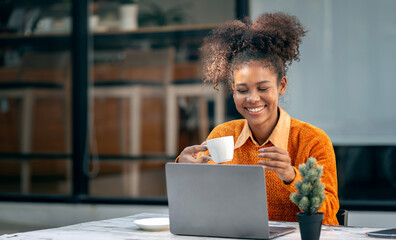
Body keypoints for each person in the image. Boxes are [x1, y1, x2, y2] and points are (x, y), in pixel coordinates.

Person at [176, 12, 339, 225]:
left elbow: (328, 213)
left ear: (281, 86)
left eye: (263, 88)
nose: (253, 98)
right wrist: (184, 171)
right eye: (242, 90)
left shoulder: (312, 140)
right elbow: (197, 204)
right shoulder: (223, 135)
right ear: (233, 90)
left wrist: (292, 176)